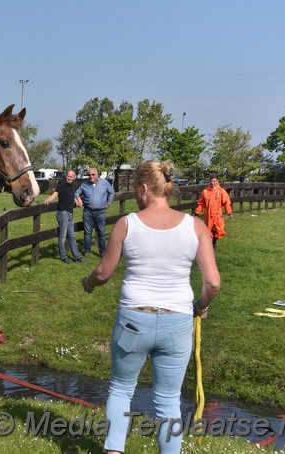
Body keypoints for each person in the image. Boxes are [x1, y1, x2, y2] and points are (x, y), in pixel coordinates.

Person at [80, 160, 220, 454]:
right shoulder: (195, 226)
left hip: (134, 318)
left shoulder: (126, 223)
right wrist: (199, 306)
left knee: (121, 389)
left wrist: (88, 282)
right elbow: (213, 283)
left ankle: (114, 449)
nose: (134, 195)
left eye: (135, 189)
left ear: (144, 189)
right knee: (168, 399)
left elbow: (104, 272)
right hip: (177, 321)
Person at [44, 170, 83, 263]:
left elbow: (73, 197)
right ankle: (64, 257)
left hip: (69, 214)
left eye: (71, 177)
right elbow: (55, 194)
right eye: (68, 176)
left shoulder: (72, 187)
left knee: (72, 236)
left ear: (74, 178)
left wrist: (78, 202)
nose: (69, 178)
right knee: (63, 236)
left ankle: (77, 257)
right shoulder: (61, 185)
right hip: (63, 213)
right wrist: (48, 200)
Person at [75, 167, 115, 257]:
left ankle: (102, 251)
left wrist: (109, 203)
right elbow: (76, 193)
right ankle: (87, 250)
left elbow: (112, 192)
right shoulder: (84, 184)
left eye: (93, 174)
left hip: (100, 211)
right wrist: (78, 199)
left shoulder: (104, 183)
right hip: (88, 211)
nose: (91, 176)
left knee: (101, 232)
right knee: (87, 232)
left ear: (97, 175)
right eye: (89, 175)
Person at [195, 176, 233, 248]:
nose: (213, 183)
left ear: (217, 182)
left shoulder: (221, 191)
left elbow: (226, 203)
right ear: (209, 182)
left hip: (218, 214)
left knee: (219, 229)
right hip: (208, 215)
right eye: (211, 181)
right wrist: (197, 212)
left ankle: (214, 241)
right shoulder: (205, 192)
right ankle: (209, 244)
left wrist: (229, 213)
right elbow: (201, 203)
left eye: (214, 181)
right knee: (208, 229)